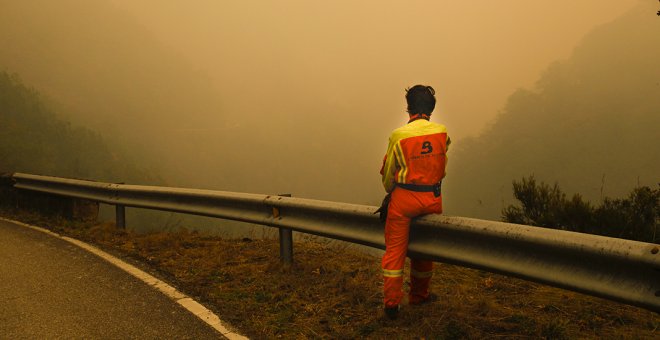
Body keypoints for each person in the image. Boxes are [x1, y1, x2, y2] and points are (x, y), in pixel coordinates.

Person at [379, 84, 450, 319]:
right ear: (431, 108)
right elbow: (441, 160)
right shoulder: (442, 132)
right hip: (432, 199)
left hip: (405, 200)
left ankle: (392, 304)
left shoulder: (398, 136)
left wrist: (391, 191)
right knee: (424, 251)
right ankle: (419, 296)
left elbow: (388, 175)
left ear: (408, 108)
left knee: (395, 253)